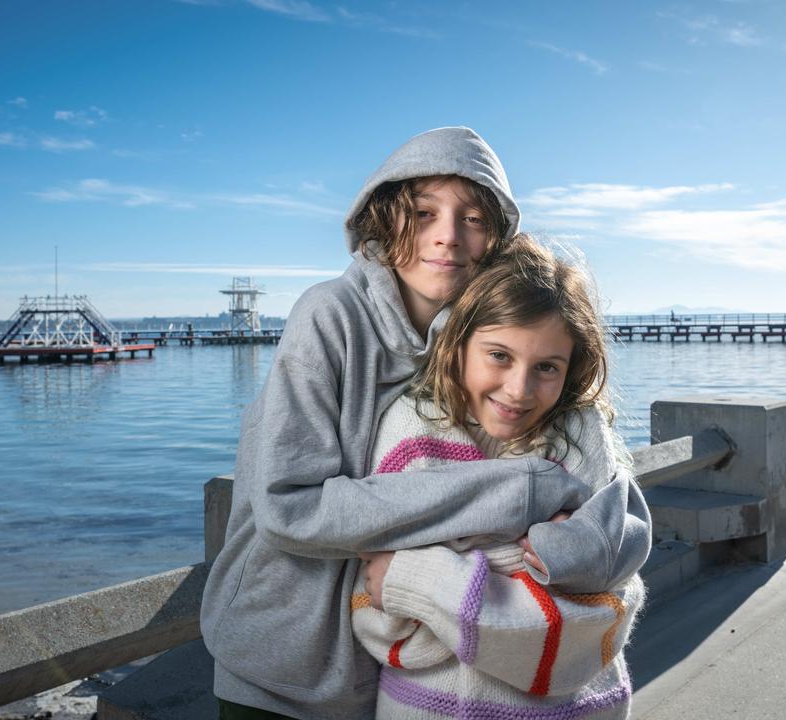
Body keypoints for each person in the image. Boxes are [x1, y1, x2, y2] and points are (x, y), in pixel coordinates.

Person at [200, 127, 651, 719]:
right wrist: (521, 493)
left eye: (473, 219)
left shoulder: (476, 334)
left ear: (497, 237)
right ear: (384, 218)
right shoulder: (328, 316)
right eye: (422, 212)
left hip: (399, 662)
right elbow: (289, 507)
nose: (447, 237)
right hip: (284, 660)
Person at [352, 236, 646, 719]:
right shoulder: (409, 427)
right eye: (499, 355)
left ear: (572, 367)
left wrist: (425, 578)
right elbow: (381, 618)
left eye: (547, 367)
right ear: (458, 341)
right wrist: (538, 565)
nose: (518, 390)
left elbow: (613, 602)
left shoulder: (582, 432)